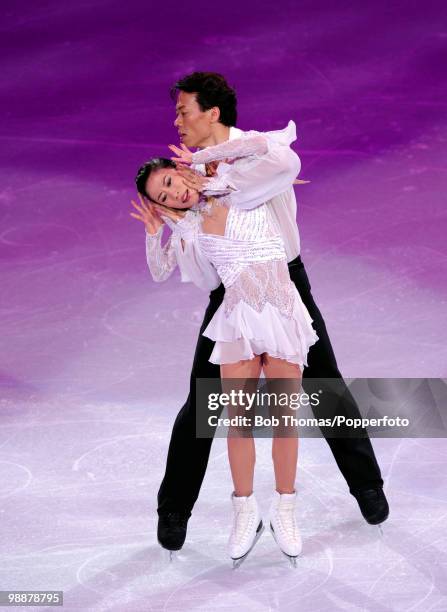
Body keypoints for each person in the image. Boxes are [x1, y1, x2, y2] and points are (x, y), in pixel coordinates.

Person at [136, 72, 389, 555]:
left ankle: (366, 486)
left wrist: (226, 170)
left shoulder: (254, 151)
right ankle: (175, 508)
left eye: (184, 110)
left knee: (325, 386)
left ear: (212, 113)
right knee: (204, 402)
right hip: (231, 294)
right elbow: (188, 246)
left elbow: (278, 164)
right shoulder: (185, 175)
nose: (178, 121)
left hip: (286, 281)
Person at [132, 122, 319, 565]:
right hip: (237, 318)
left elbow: (278, 153)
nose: (172, 194)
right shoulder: (190, 231)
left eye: (170, 180)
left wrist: (199, 159)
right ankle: (245, 512)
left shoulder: (240, 185)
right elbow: (164, 273)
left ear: (181, 170)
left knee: (284, 420)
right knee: (238, 422)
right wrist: (154, 231)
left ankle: (285, 510)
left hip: (282, 309)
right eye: (162, 196)